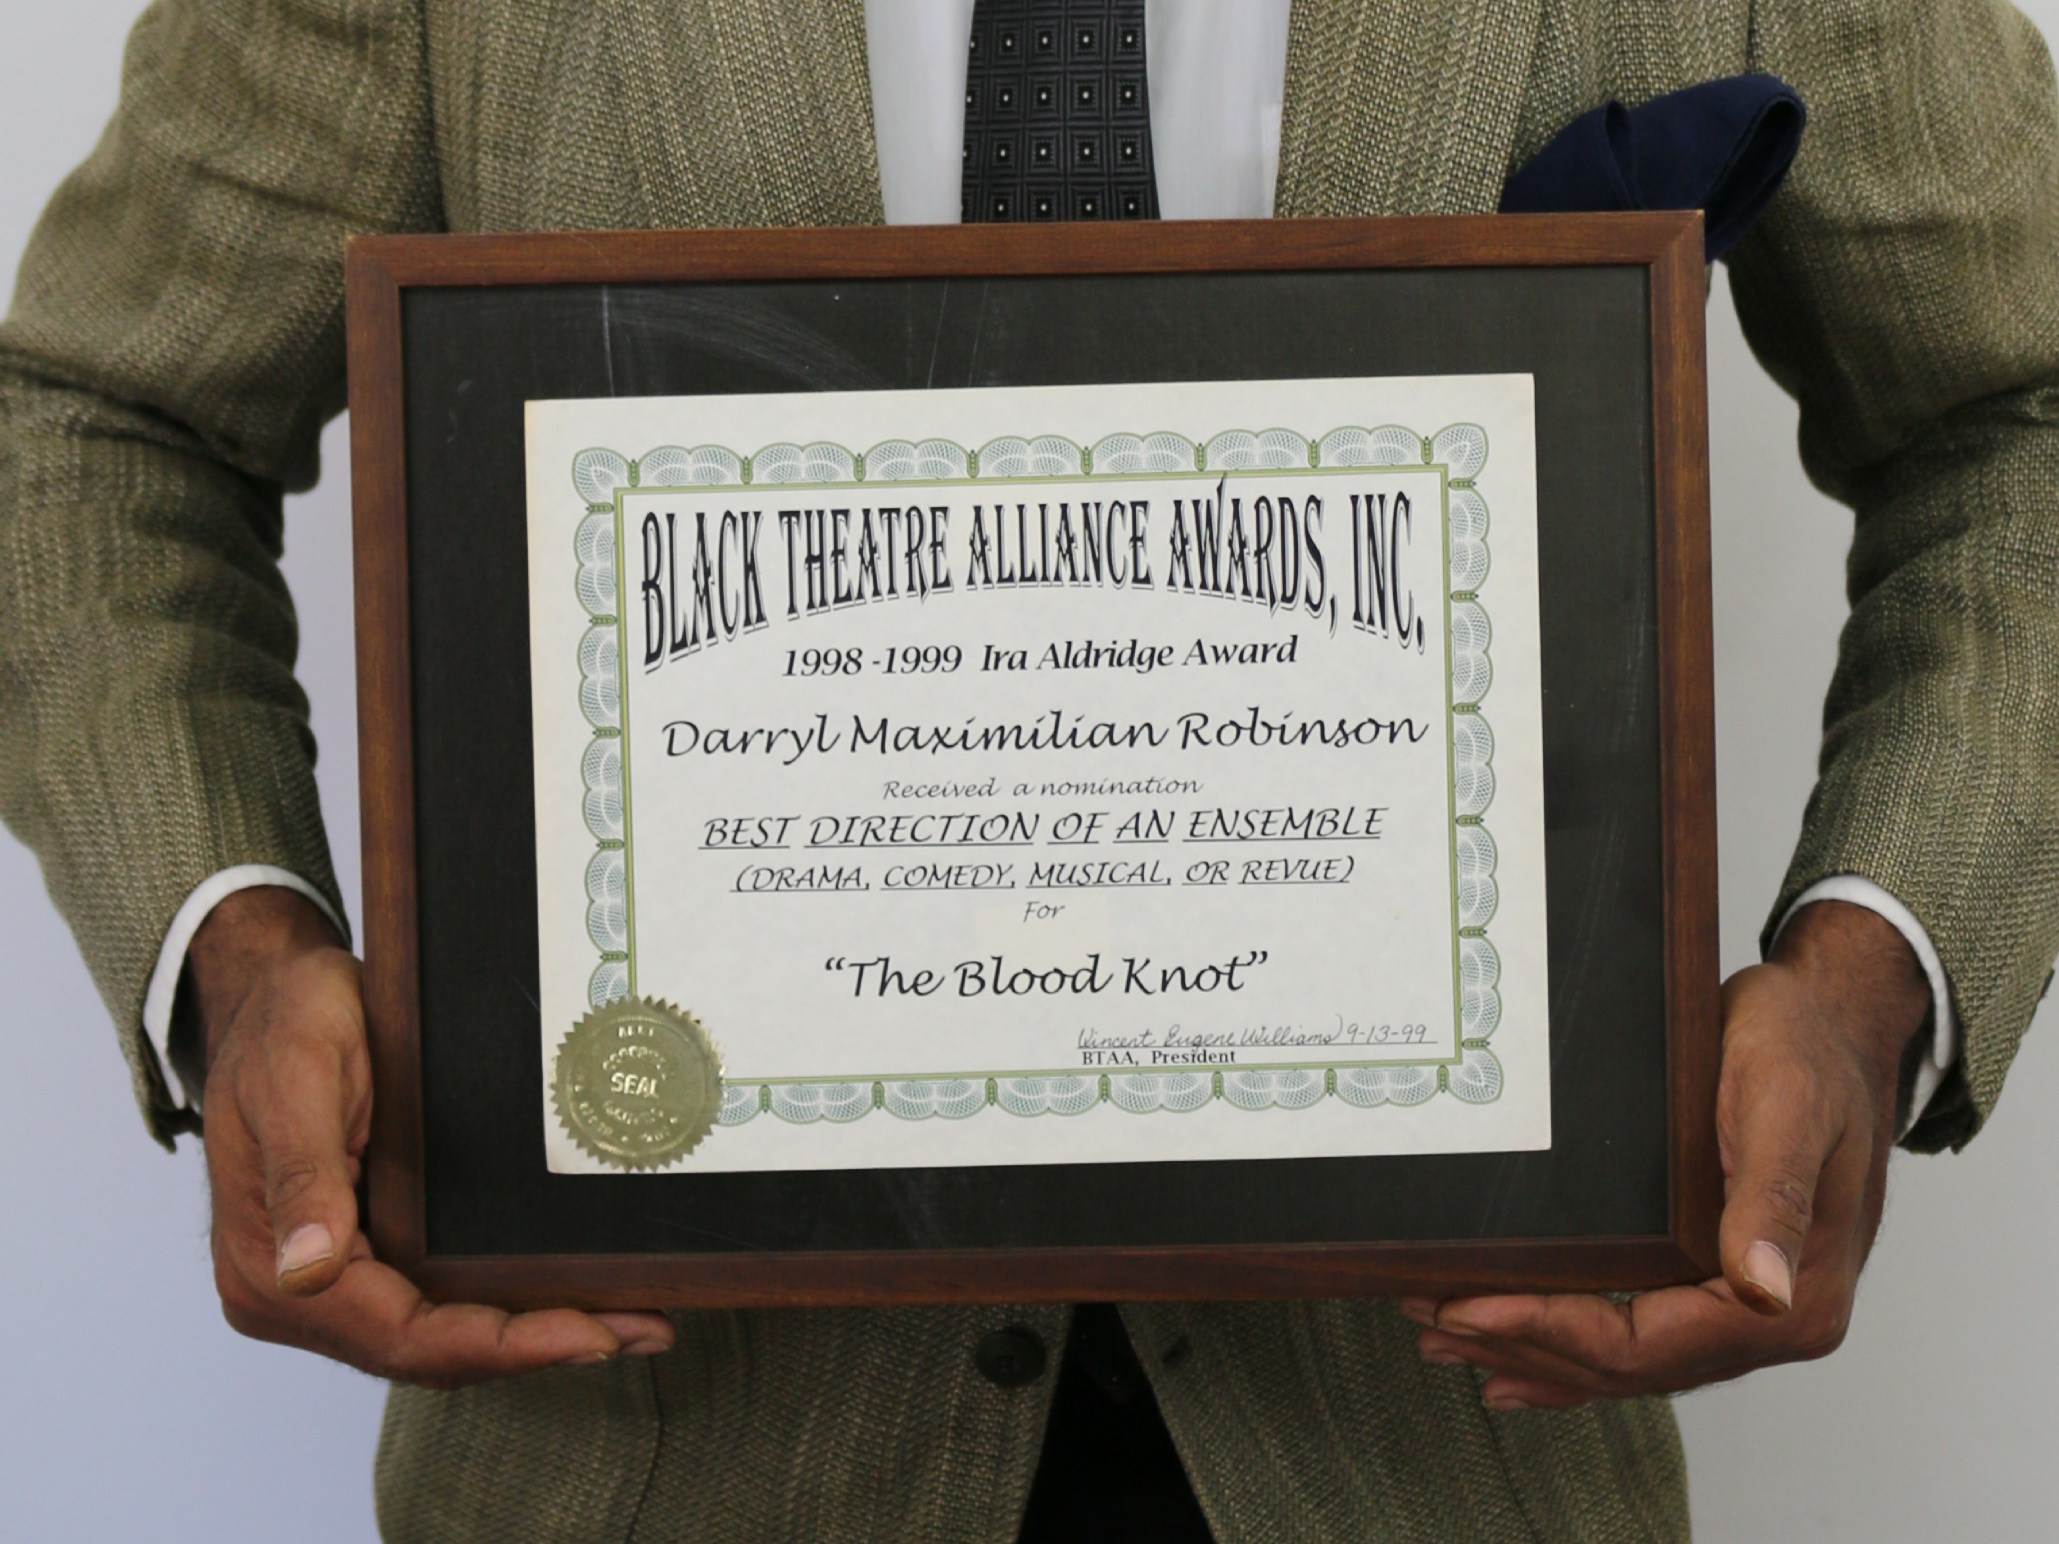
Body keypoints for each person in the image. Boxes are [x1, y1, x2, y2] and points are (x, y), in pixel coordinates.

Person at [2, 1, 2054, 1539]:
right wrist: (240, 948)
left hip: (1439, 1454)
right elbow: (96, 420)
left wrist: (1877, 975)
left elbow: (2016, 405)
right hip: (652, 1464)